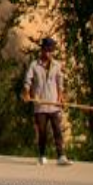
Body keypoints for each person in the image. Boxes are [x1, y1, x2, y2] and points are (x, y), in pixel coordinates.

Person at [22, 37, 72, 166]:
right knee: (42, 132)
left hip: (54, 105)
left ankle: (61, 156)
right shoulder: (34, 65)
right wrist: (27, 93)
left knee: (57, 130)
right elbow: (28, 80)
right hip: (40, 105)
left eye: (51, 51)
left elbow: (60, 82)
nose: (49, 53)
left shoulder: (56, 65)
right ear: (42, 50)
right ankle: (42, 155)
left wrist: (61, 96)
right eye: (47, 50)